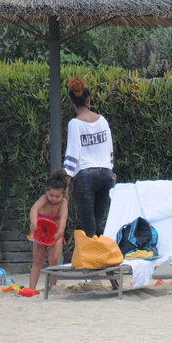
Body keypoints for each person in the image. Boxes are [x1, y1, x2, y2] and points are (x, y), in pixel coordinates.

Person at [62, 76, 115, 238]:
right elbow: (110, 149)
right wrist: (111, 171)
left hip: (85, 176)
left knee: (88, 225)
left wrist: (66, 182)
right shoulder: (102, 121)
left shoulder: (75, 123)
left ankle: (90, 253)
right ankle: (102, 252)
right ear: (88, 99)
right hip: (106, 175)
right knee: (98, 223)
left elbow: (73, 153)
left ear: (72, 101)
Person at [28, 170, 69, 290]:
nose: (54, 199)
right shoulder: (44, 199)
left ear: (63, 195)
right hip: (40, 232)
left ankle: (53, 286)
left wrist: (60, 231)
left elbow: (63, 218)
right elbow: (34, 209)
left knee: (54, 259)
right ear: (46, 192)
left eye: (57, 196)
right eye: (51, 195)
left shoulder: (63, 203)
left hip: (55, 234)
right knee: (38, 260)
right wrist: (34, 222)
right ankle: (32, 288)